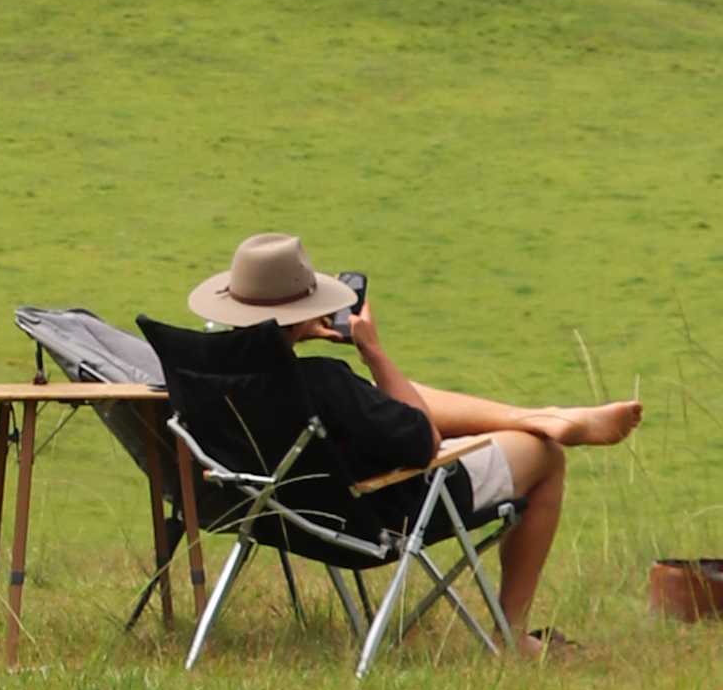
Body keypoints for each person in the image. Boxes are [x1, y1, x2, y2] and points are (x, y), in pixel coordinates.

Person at [179, 232, 639, 650]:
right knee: (546, 456)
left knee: (390, 399)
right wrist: (373, 353)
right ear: (302, 314)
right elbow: (424, 440)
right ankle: (514, 633)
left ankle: (538, 416)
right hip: (382, 514)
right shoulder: (324, 381)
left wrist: (300, 339)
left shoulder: (205, 378)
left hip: (276, 514)